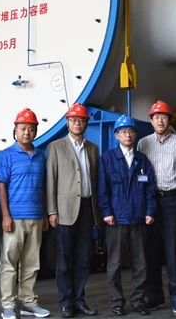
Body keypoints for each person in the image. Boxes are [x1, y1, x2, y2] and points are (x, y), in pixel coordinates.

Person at [98, 114, 156, 317]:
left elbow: (150, 189)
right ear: (116, 135)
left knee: (141, 264)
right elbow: (102, 190)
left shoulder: (142, 160)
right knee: (114, 264)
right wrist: (106, 212)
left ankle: (138, 301)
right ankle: (116, 303)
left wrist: (150, 212)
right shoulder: (107, 159)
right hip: (116, 220)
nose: (128, 135)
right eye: (123, 132)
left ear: (135, 135)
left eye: (131, 131)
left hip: (139, 218)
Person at [46, 103, 101, 318]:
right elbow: (51, 180)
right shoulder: (56, 147)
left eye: (81, 120)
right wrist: (52, 211)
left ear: (86, 123)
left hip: (87, 208)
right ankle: (65, 303)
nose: (77, 123)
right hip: (65, 210)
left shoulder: (93, 149)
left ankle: (79, 300)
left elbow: (96, 182)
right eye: (73, 120)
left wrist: (97, 212)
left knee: (83, 259)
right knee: (63, 261)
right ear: (67, 122)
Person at [0, 108, 51, 319]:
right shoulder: (8, 155)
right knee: (10, 263)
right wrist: (6, 216)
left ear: (35, 131)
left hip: (36, 217)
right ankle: (8, 305)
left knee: (31, 263)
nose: (26, 132)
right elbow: (2, 186)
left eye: (31, 128)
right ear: (15, 130)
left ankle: (28, 302)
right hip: (15, 218)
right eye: (22, 128)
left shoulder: (40, 156)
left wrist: (44, 214)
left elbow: (43, 187)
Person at [137, 99, 176, 313]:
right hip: (150, 201)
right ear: (151, 121)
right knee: (150, 251)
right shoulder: (143, 143)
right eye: (156, 117)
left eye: (164, 117)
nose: (160, 121)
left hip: (172, 200)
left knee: (174, 251)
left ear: (169, 120)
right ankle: (154, 295)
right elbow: (140, 172)